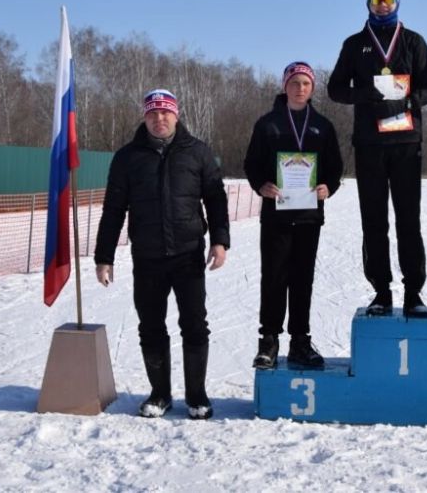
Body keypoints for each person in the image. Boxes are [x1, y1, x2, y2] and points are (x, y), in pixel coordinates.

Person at [93, 88, 229, 420]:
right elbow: (113, 209)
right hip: (149, 256)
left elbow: (215, 198)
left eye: (165, 112)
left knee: (195, 324)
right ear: (145, 117)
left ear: (176, 115)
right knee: (151, 326)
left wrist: (220, 241)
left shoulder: (197, 152)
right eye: (153, 113)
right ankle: (159, 394)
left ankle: (197, 395)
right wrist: (103, 256)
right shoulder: (127, 157)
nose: (159, 119)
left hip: (188, 253)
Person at [327, 0, 427, 317]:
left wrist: (410, 100)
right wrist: (367, 94)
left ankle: (413, 292)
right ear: (368, 2)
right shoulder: (355, 44)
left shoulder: (414, 41)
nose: (382, 3)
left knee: (409, 220)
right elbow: (334, 89)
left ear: (397, 0)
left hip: (406, 143)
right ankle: (381, 291)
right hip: (369, 145)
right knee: (373, 221)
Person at [244, 62, 344, 370]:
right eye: (294, 83)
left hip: (308, 217)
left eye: (305, 83)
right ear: (285, 86)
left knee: (303, 281)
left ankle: (300, 341)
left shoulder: (322, 126)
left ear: (312, 88)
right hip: (276, 217)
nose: (300, 88)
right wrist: (261, 186)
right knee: (274, 279)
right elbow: (252, 164)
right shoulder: (268, 124)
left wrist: (330, 186)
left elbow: (334, 167)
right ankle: (269, 342)